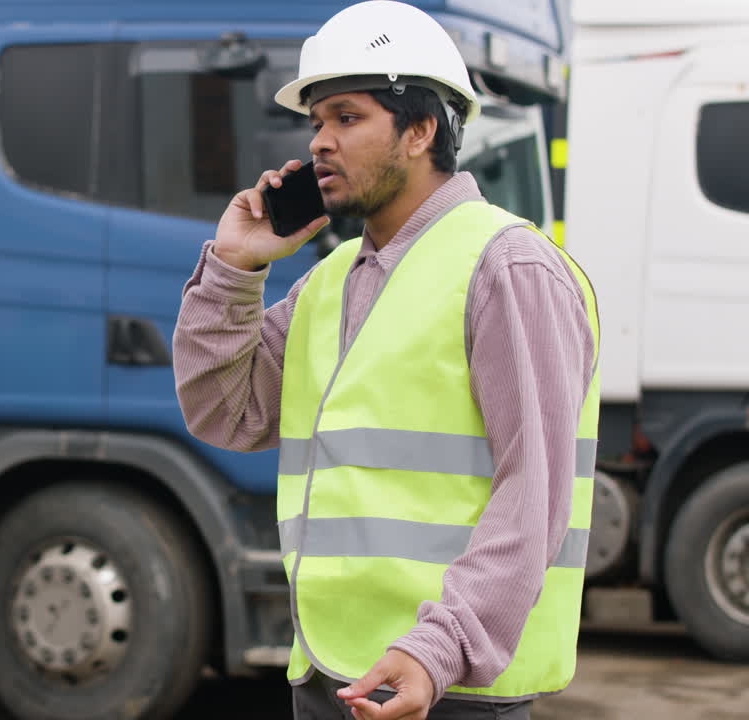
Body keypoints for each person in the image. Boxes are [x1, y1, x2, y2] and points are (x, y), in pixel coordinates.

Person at [173, 2, 599, 719]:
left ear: (421, 130)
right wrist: (235, 270)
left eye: (346, 117)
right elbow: (225, 412)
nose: (320, 144)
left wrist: (438, 650)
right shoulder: (334, 279)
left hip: (446, 687)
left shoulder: (507, 267)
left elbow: (535, 496)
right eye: (315, 124)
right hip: (333, 672)